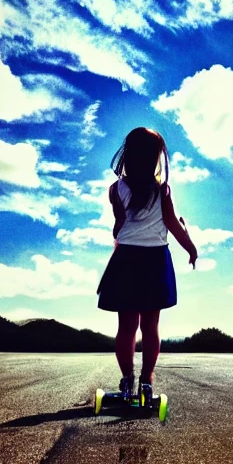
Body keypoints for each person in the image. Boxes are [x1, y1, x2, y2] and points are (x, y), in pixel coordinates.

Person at [97, 127, 198, 400]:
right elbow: (172, 225)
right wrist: (190, 247)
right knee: (150, 327)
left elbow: (118, 227)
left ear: (128, 156)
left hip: (127, 259)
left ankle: (127, 381)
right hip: (155, 260)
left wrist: (121, 234)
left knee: (126, 327)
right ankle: (147, 382)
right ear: (155, 158)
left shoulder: (115, 190)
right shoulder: (162, 191)